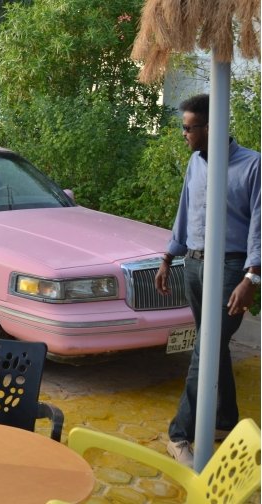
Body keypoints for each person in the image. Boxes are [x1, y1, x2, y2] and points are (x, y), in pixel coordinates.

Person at [154, 93, 260, 467]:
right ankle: (224, 420)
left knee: (207, 345)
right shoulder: (196, 163)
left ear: (210, 127)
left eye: (189, 128)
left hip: (231, 269)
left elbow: (260, 224)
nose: (184, 134)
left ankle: (179, 434)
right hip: (194, 264)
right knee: (213, 347)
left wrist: (252, 278)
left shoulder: (252, 165)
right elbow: (185, 210)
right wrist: (169, 256)